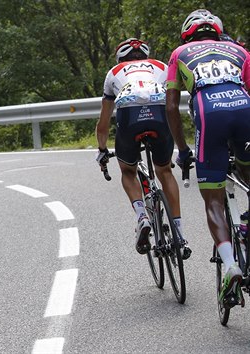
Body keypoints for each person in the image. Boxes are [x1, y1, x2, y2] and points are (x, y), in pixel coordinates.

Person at [166, 9, 250, 306]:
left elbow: (172, 107)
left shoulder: (179, 54)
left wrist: (184, 150)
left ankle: (230, 264)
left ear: (188, 34)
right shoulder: (240, 51)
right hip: (245, 110)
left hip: (209, 114)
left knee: (213, 199)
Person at [96, 37, 191, 258]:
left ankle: (141, 216)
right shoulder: (161, 66)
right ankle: (179, 235)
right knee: (164, 170)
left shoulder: (114, 71)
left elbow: (103, 123)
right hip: (159, 109)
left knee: (128, 171)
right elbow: (173, 103)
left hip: (129, 112)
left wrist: (102, 150)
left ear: (121, 57)